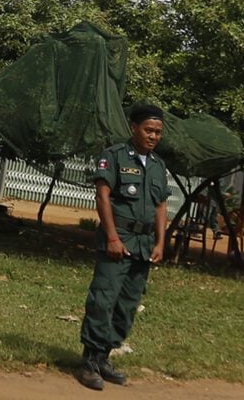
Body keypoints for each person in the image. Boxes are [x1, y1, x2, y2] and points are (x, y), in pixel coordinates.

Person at [78, 104, 170, 391]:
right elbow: (103, 197)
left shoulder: (158, 165)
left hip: (143, 246)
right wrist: (113, 237)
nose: (153, 136)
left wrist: (160, 242)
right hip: (118, 240)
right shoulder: (115, 156)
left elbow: (161, 205)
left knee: (127, 304)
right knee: (103, 299)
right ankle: (90, 361)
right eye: (148, 130)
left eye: (157, 132)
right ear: (134, 128)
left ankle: (105, 356)